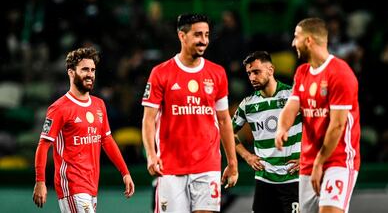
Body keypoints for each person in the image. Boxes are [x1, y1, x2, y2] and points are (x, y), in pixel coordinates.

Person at [142, 13, 238, 213]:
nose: (204, 40)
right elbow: (148, 120)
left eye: (207, 34)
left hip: (208, 164)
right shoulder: (161, 73)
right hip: (170, 166)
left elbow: (224, 121)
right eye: (197, 35)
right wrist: (151, 155)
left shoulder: (217, 73)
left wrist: (232, 161)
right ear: (182, 36)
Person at [32, 47, 134, 212]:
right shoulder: (58, 108)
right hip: (72, 185)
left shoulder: (99, 104)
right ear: (71, 72)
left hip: (92, 185)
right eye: (85, 69)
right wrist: (40, 181)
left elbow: (107, 140)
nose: (90, 74)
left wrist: (125, 172)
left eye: (93, 70)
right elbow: (43, 145)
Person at [275, 17, 360, 213]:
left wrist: (320, 163)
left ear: (309, 41)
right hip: (308, 162)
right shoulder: (302, 72)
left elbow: (337, 126)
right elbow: (291, 107)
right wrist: (282, 128)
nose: (292, 43)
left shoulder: (340, 73)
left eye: (296, 37)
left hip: (338, 160)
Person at [232, 51, 302, 213]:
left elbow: (317, 125)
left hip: (293, 178)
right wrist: (246, 156)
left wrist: (306, 158)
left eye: (256, 72)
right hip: (264, 179)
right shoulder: (247, 104)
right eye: (249, 73)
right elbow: (228, 132)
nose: (251, 78)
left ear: (271, 70)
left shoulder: (293, 97)